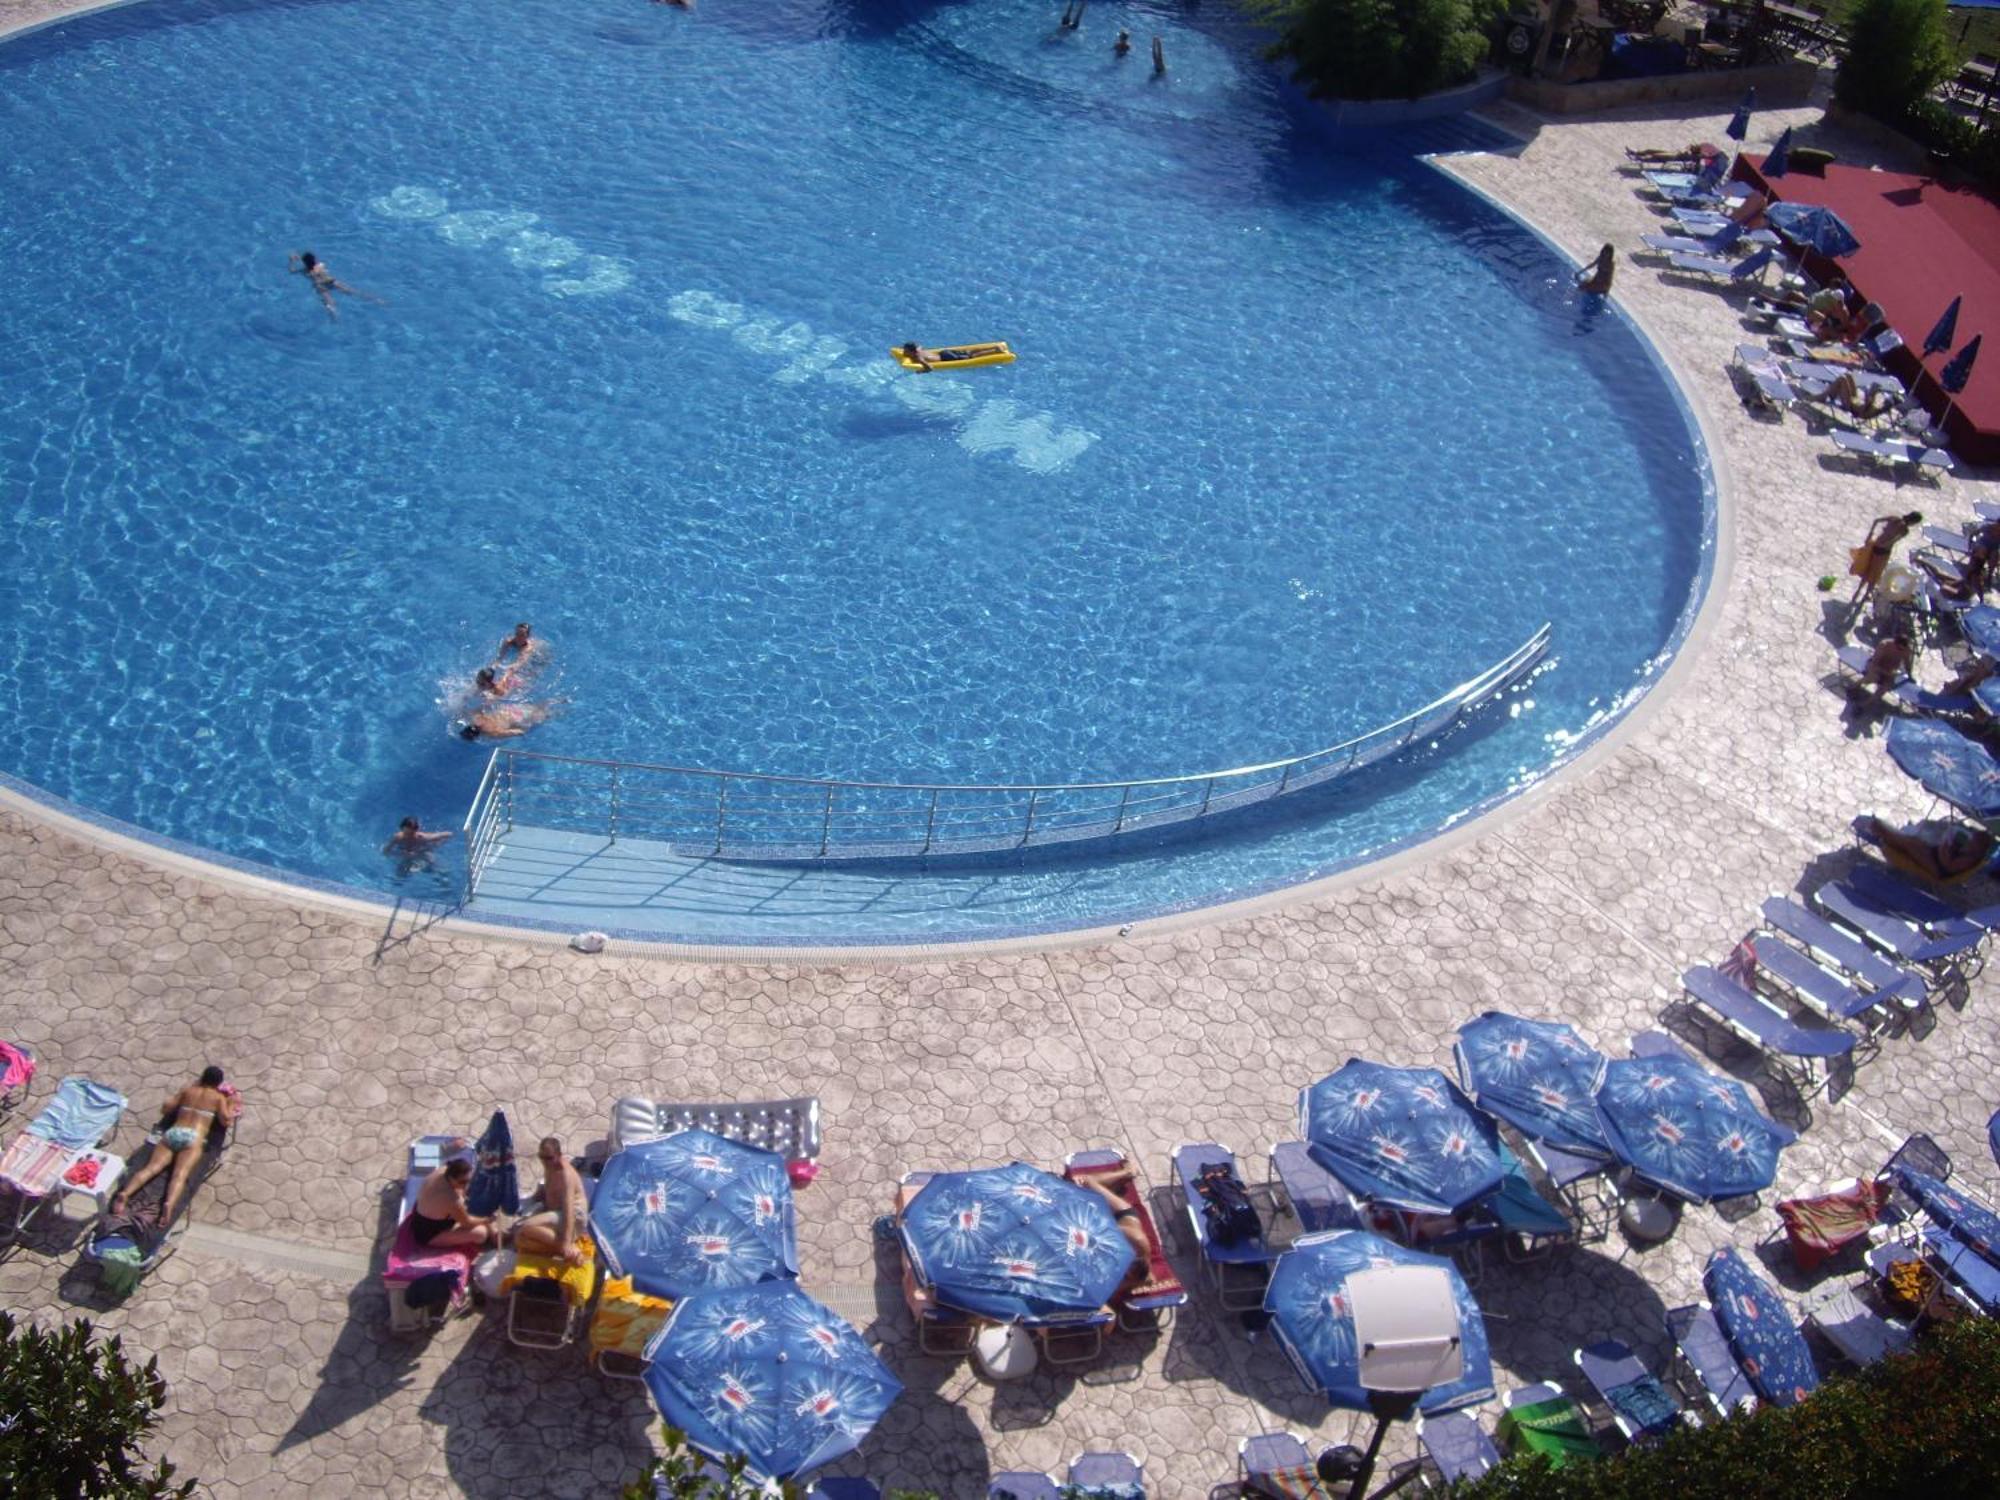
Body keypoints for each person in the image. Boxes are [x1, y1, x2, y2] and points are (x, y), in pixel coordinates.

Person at [110, 1067, 242, 1225]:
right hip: (193, 1137)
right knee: (179, 1174)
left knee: (151, 1168)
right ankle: (168, 1205)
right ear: (218, 1083)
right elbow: (225, 1121)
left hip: (173, 1133)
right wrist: (232, 1104)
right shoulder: (218, 1098)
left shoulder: (188, 1091)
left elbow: (166, 1108)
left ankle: (125, 1193)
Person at [1856, 815, 1999, 885]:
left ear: (1979, 846)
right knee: (1911, 842)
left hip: (1938, 868)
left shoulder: (1970, 858)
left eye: (1973, 840)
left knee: (1909, 844)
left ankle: (1875, 828)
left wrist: (1946, 845)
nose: (1970, 840)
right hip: (1936, 857)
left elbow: (1947, 865)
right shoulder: (1971, 851)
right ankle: (1879, 830)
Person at [513, 1138, 587, 1266]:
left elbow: (569, 1211)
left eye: (549, 1158)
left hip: (573, 1218)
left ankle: (569, 1249)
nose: (545, 1161)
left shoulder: (566, 1175)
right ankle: (559, 1250)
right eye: (541, 1157)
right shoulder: (550, 1165)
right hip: (555, 1213)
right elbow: (549, 1189)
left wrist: (566, 1241)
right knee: (520, 1240)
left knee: (527, 1226)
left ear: (559, 1155)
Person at [1076, 1174, 1151, 1294]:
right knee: (1085, 1182)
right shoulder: (1137, 1240)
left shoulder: (1134, 1273)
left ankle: (1112, 1188)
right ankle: (1127, 1172)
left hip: (1109, 1235)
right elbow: (1102, 1229)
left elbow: (1114, 1289)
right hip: (1121, 1215)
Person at [1845, 510, 1923, 621]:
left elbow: (1877, 521)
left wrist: (1871, 534)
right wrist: (1885, 544)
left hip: (1875, 545)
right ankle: (1865, 596)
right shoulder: (1904, 530)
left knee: (1867, 569)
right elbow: (1893, 540)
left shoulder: (1894, 518)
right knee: (1874, 575)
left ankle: (1858, 592)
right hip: (1883, 552)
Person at [407, 1156, 496, 1251]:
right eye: (463, 1182)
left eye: (469, 1181)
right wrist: (486, 1220)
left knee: (476, 1202)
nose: (466, 1185)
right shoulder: (450, 1198)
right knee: (481, 1233)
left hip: (424, 1215)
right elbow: (467, 1223)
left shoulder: (444, 1169)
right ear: (451, 1177)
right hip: (429, 1234)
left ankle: (495, 1234)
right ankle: (494, 1236)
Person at [288, 251, 378, 320]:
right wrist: (301, 258)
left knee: (330, 303)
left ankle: (335, 318)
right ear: (314, 259)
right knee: (353, 292)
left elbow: (292, 271)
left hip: (320, 286)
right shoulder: (321, 265)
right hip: (331, 281)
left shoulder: (304, 271)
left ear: (305, 263)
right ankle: (376, 300)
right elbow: (312, 262)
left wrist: (292, 261)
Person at [1847, 629, 1913, 712]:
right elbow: (1874, 663)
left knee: (1886, 686)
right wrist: (1885, 672)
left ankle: (1864, 705)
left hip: (1889, 671)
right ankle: (1853, 687)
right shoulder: (1884, 645)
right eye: (1898, 648)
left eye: (1902, 649)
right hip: (1876, 666)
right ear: (1895, 643)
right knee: (1873, 677)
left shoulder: (1906, 651)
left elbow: (1907, 663)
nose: (1900, 650)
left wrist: (1909, 675)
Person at [458, 700, 555, 740]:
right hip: (510, 709)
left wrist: (523, 732)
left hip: (519, 718)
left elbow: (515, 732)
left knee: (546, 715)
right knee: (540, 707)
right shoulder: (477, 718)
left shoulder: (493, 733)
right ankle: (556, 701)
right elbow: (480, 707)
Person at [383, 815, 453, 859]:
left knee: (431, 860)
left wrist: (439, 843)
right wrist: (401, 854)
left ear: (415, 831)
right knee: (400, 874)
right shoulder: (397, 838)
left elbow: (447, 834)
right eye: (406, 833)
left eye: (411, 833)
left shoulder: (421, 837)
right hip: (407, 854)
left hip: (421, 852)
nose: (409, 835)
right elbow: (386, 851)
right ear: (402, 829)